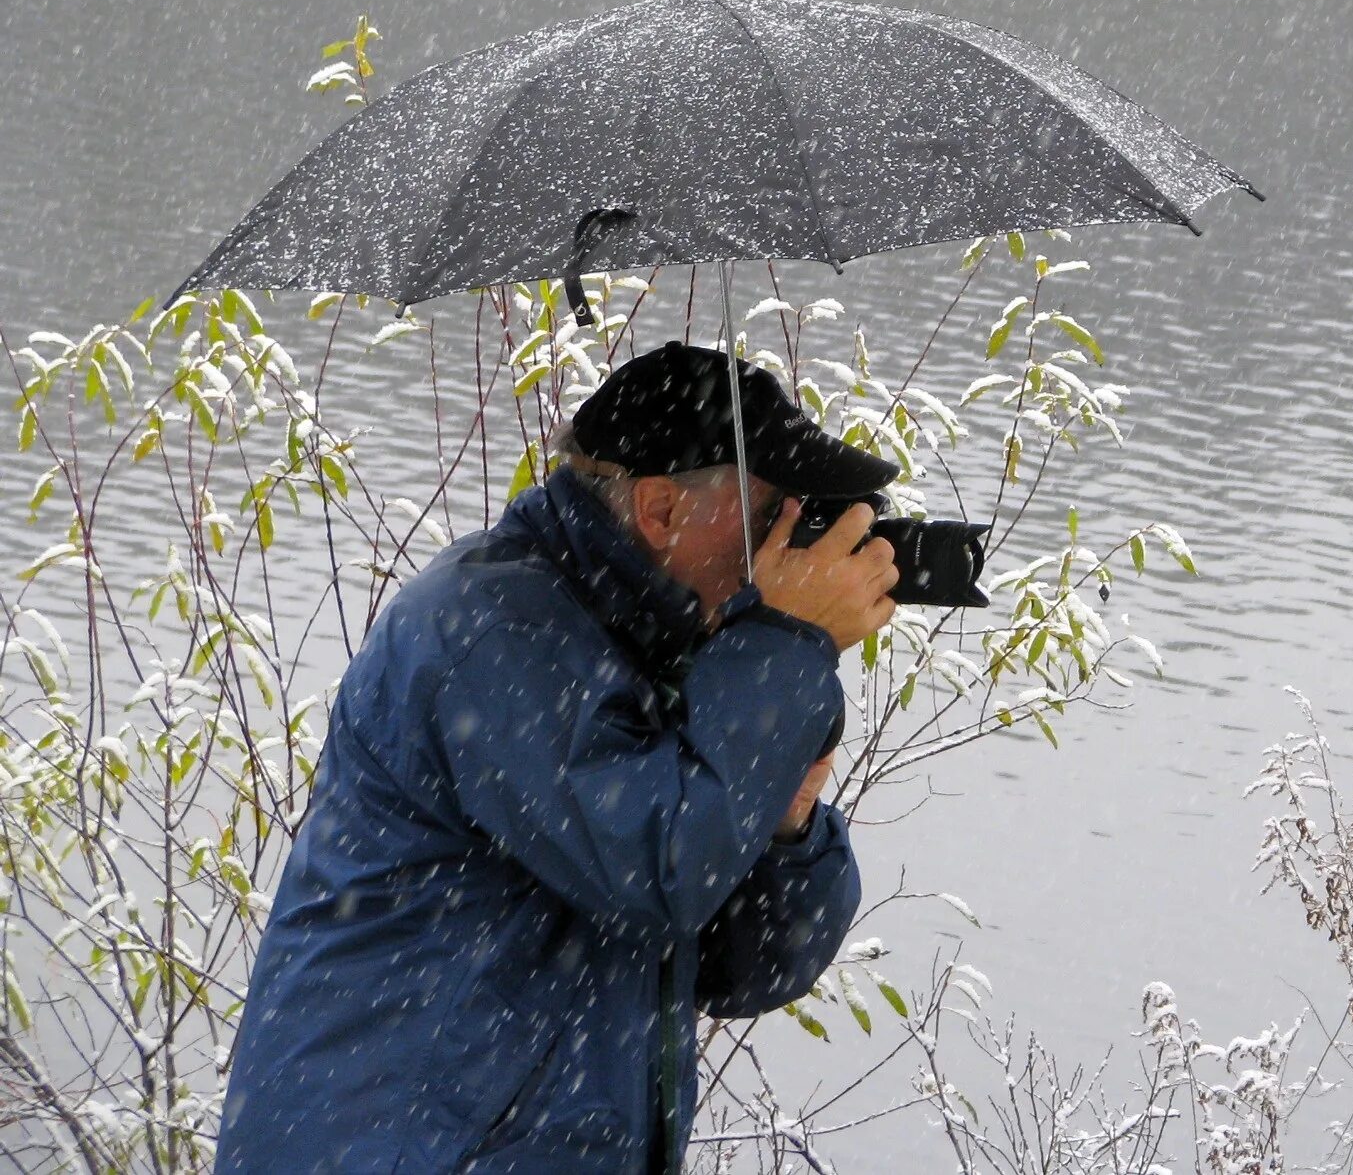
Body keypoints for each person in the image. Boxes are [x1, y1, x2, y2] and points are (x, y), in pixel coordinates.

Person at [216, 341, 901, 1173]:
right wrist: (786, 649)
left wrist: (788, 817)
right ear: (659, 512)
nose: (794, 542)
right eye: (774, 513)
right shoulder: (494, 631)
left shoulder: (655, 645)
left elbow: (746, 965)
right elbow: (658, 868)